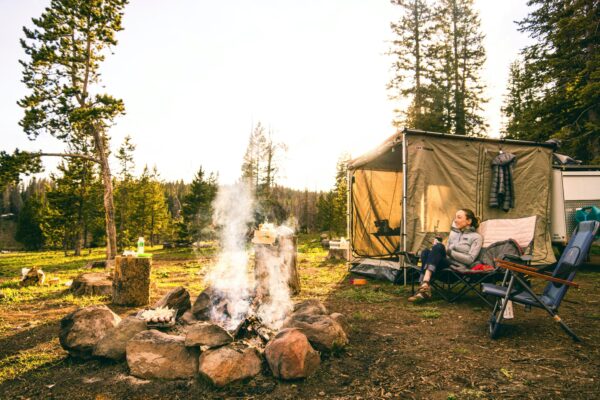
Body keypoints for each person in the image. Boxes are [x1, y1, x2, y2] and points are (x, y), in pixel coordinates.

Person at [408, 209, 483, 302]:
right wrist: (437, 249)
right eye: (455, 217)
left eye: (459, 217)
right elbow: (444, 251)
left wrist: (449, 251)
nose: (455, 220)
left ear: (469, 221)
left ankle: (424, 284)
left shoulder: (476, 237)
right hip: (445, 265)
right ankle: (425, 285)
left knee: (438, 247)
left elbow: (470, 259)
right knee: (426, 251)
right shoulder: (454, 234)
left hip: (458, 268)